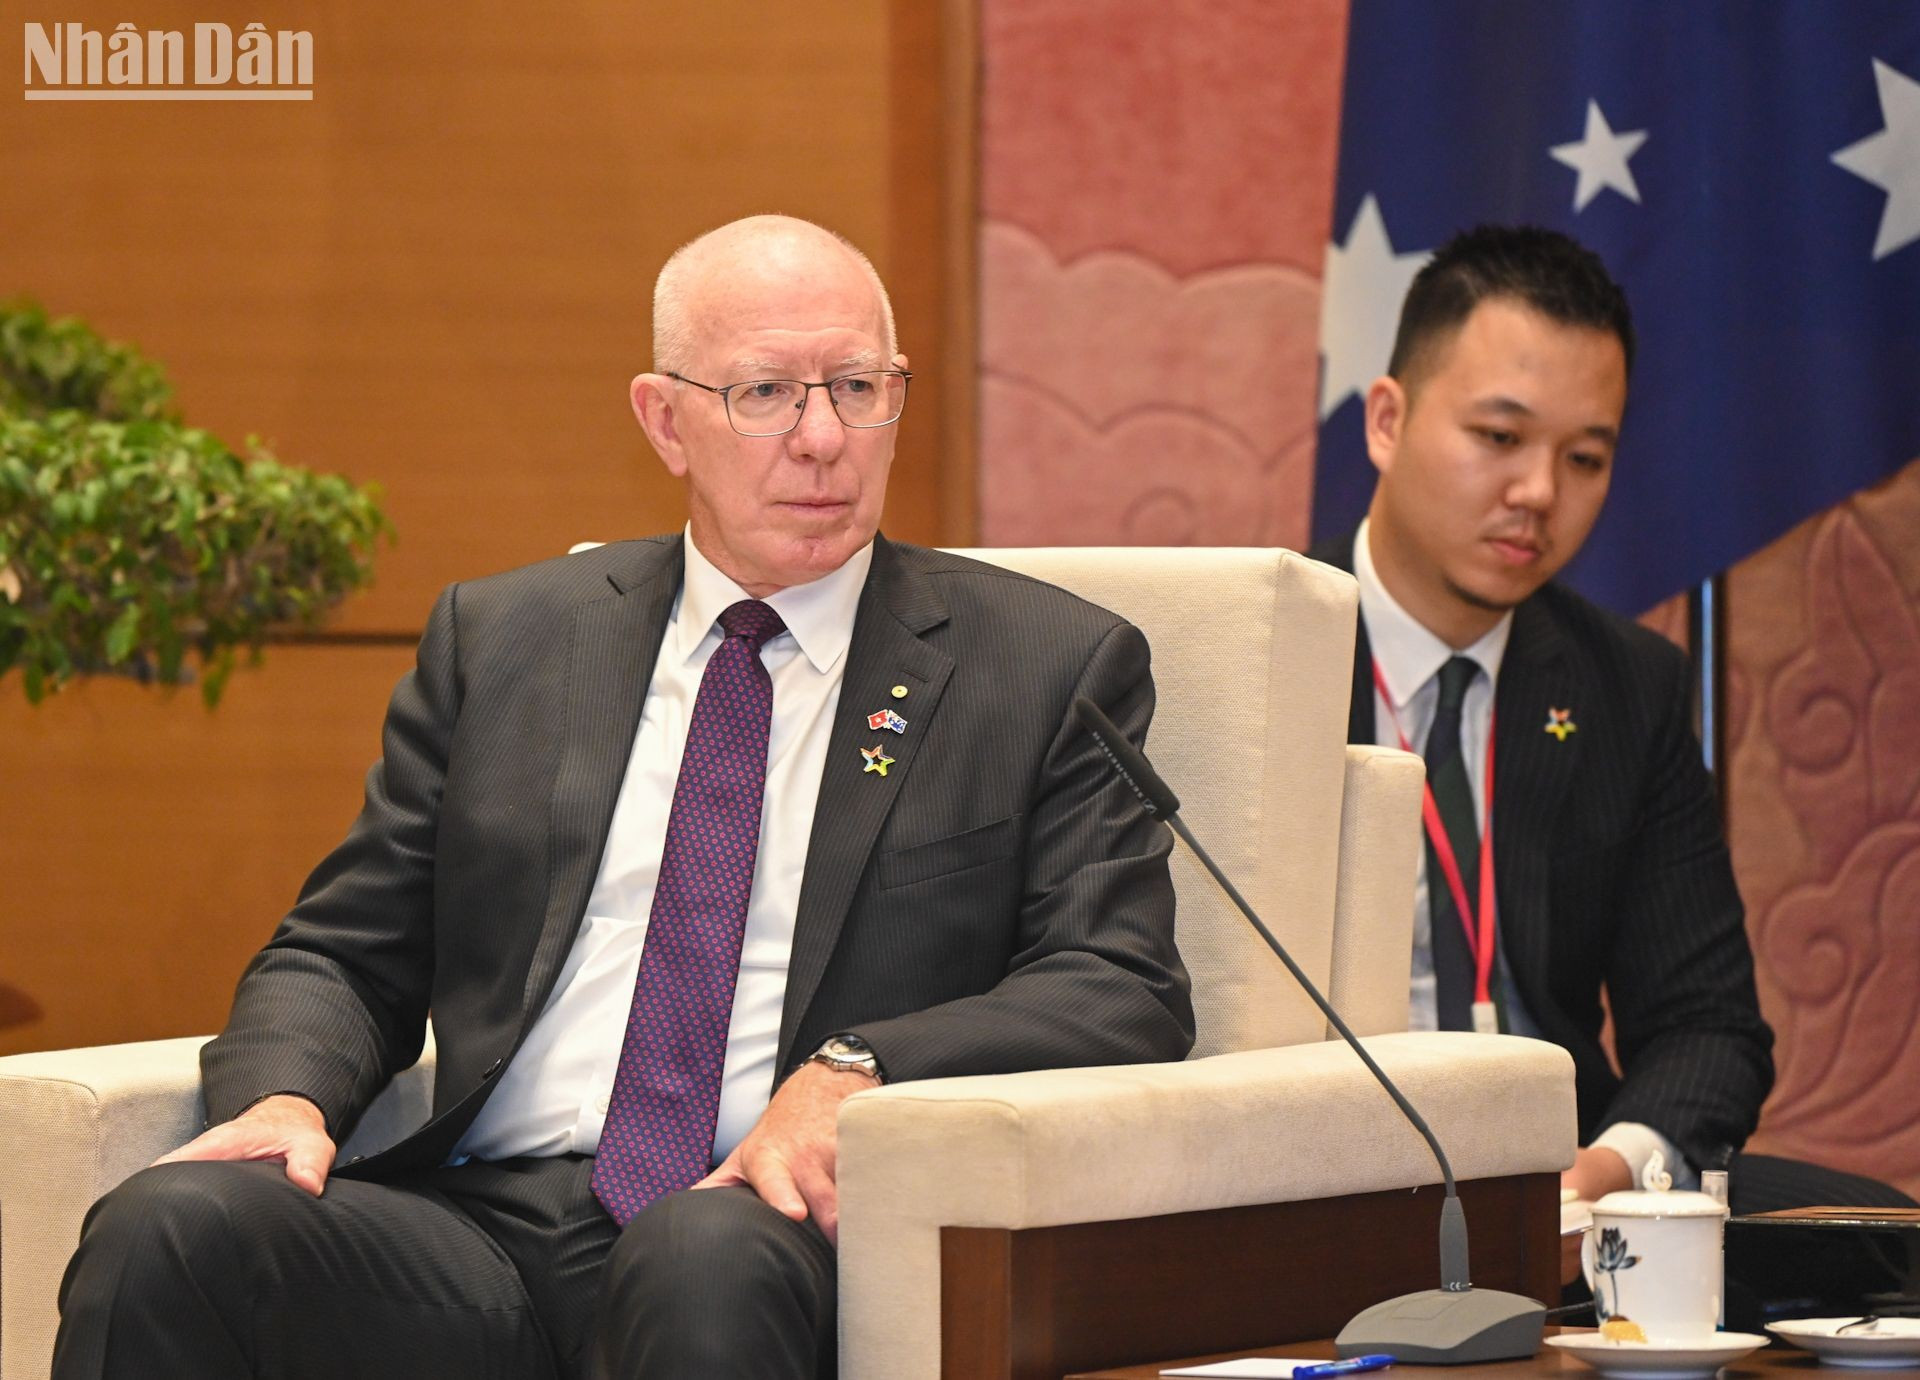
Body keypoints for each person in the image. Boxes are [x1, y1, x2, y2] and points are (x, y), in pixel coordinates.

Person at [55, 215, 1195, 1379]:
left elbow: (1118, 981)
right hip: (478, 1226)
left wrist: (859, 1065)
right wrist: (289, 1098)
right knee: (168, 1232)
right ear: (665, 420)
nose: (821, 439)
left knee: (698, 1256)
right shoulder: (507, 640)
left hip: (757, 1221)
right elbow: (347, 952)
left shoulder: (1043, 665)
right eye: (765, 394)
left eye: (858, 387)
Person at [1308, 225, 1912, 1297]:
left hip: (1568, 1184)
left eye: (1585, 457)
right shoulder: (1257, 652)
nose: (1539, 491)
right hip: (1314, 1177)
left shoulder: (1622, 687)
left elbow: (1707, 1029)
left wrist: (1603, 1177)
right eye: (1500, 437)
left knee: (1882, 1247)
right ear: (1389, 421)